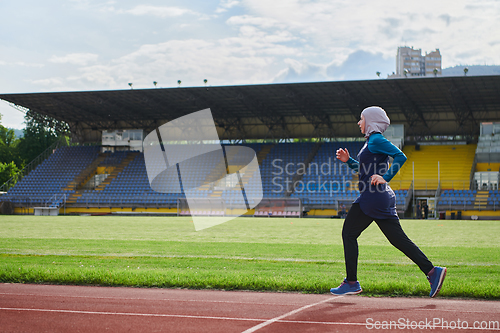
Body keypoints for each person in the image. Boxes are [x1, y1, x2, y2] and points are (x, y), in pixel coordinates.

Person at [330, 106, 446, 298]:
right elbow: (364, 168)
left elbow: (401, 156)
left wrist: (386, 176)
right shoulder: (370, 142)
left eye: (361, 119)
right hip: (378, 197)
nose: (359, 122)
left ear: (371, 120)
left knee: (348, 233)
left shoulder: (375, 139)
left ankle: (351, 282)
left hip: (372, 197)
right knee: (398, 239)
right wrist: (348, 160)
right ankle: (433, 272)